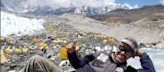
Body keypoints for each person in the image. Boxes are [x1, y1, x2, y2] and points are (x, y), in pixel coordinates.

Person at [19, 37, 156, 72]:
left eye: (128, 51)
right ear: (116, 47)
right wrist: (72, 53)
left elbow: (150, 71)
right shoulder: (99, 54)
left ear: (131, 55)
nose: (122, 52)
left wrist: (141, 54)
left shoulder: (127, 71)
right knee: (35, 60)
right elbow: (78, 63)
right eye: (121, 48)